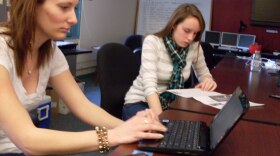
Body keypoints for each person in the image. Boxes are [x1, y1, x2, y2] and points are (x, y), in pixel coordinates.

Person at [0, 0, 166, 155]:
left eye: (74, 8)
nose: (74, 19)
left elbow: (83, 106)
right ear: (31, 6)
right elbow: (27, 139)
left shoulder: (50, 52)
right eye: (64, 7)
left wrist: (131, 128)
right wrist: (113, 135)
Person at [122, 4, 217, 120]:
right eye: (187, 31)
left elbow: (204, 73)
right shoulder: (153, 42)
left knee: (192, 126)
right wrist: (161, 119)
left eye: (195, 33)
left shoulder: (194, 47)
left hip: (171, 103)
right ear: (174, 25)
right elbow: (149, 86)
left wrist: (208, 80)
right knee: (159, 133)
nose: (190, 38)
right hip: (141, 102)